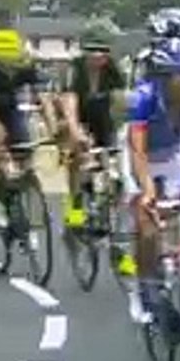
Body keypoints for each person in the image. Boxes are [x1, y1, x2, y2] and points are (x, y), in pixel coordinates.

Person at [122, 37, 180, 324]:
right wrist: (148, 187)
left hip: (177, 152)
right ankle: (144, 286)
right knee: (147, 223)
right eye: (172, 75)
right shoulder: (143, 96)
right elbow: (137, 147)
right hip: (142, 154)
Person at [0, 28, 58, 227]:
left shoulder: (26, 67)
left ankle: (25, 196)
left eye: (13, 64)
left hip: (10, 107)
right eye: (5, 65)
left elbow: (44, 99)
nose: (11, 69)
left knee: (25, 146)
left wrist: (53, 129)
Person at [61, 24, 128, 234]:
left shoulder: (114, 70)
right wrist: (75, 131)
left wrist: (121, 130)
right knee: (79, 154)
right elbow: (69, 102)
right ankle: (75, 205)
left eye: (102, 52)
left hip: (102, 114)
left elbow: (122, 101)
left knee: (112, 156)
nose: (97, 58)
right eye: (92, 52)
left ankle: (109, 205)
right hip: (77, 113)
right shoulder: (74, 69)